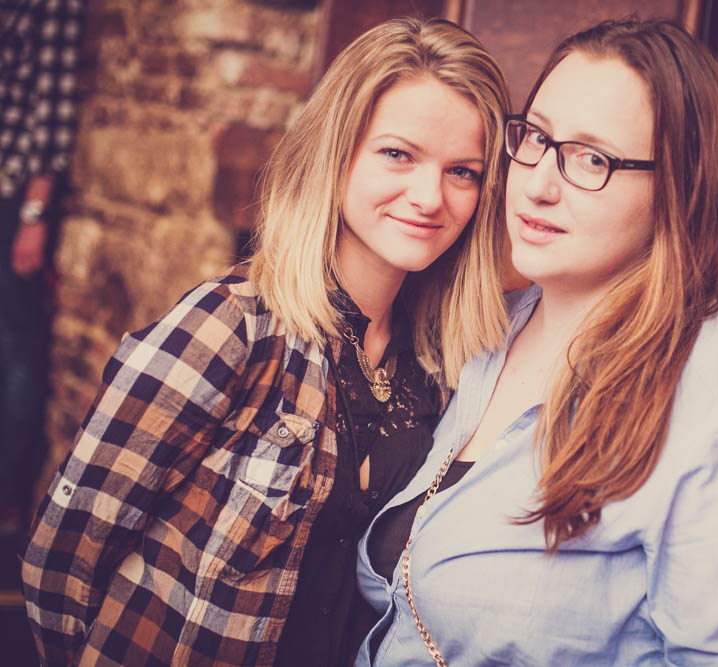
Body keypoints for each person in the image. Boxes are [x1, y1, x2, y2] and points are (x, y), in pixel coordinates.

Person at [22, 16, 510, 667]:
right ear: (336, 152)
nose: (430, 196)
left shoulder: (440, 368)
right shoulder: (230, 326)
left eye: (463, 171)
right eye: (398, 154)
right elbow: (61, 561)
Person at [356, 18, 718, 666]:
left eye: (592, 159)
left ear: (679, 189)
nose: (538, 183)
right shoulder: (487, 330)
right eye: (537, 138)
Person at [1, 0, 83, 534]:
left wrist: (33, 215)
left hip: (13, 198)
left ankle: (7, 493)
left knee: (17, 346)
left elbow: (52, 110)